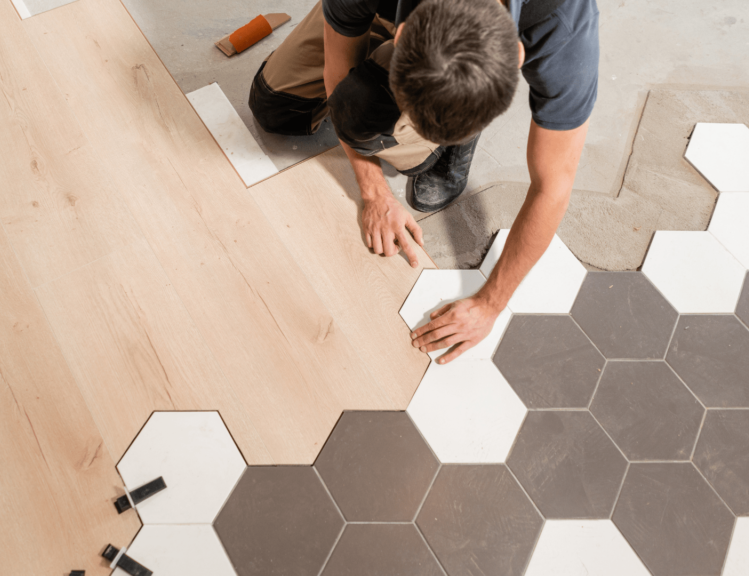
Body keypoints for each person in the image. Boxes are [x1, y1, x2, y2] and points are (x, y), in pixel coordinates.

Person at [248, 0, 599, 363]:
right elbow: (339, 79)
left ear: (517, 54)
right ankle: (413, 74)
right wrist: (375, 192)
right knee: (282, 108)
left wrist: (490, 303)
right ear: (402, 35)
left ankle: (461, 118)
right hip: (381, 9)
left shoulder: (562, 24)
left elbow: (552, 186)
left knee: (373, 110)